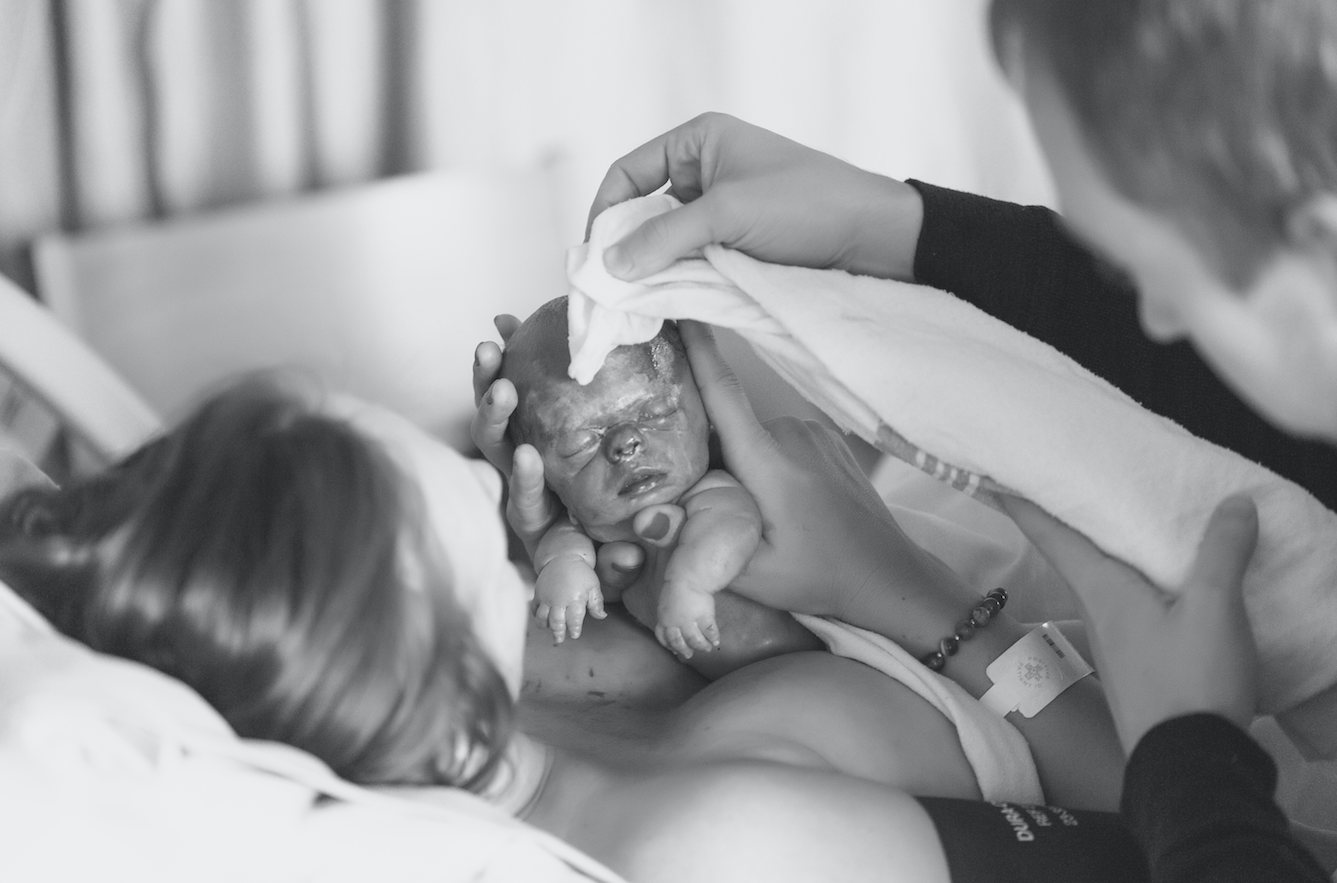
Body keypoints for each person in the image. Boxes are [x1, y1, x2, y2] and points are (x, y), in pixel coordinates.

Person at [490, 0, 1333, 879]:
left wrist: (1188, 751)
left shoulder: (711, 814)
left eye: (1149, 271)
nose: (1151, 320)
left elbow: (1223, 841)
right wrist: (892, 228)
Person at [0, 374, 1146, 883]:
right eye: (445, 489)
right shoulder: (714, 844)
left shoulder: (503, 678)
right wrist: (900, 587)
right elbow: (1174, 846)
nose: (483, 477)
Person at [499, 296, 761, 660]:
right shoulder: (583, 528)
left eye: (656, 414)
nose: (625, 444)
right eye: (580, 445)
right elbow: (561, 545)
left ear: (708, 417)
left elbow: (734, 528)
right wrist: (562, 569)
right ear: (551, 484)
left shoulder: (713, 496)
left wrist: (690, 583)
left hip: (801, 659)